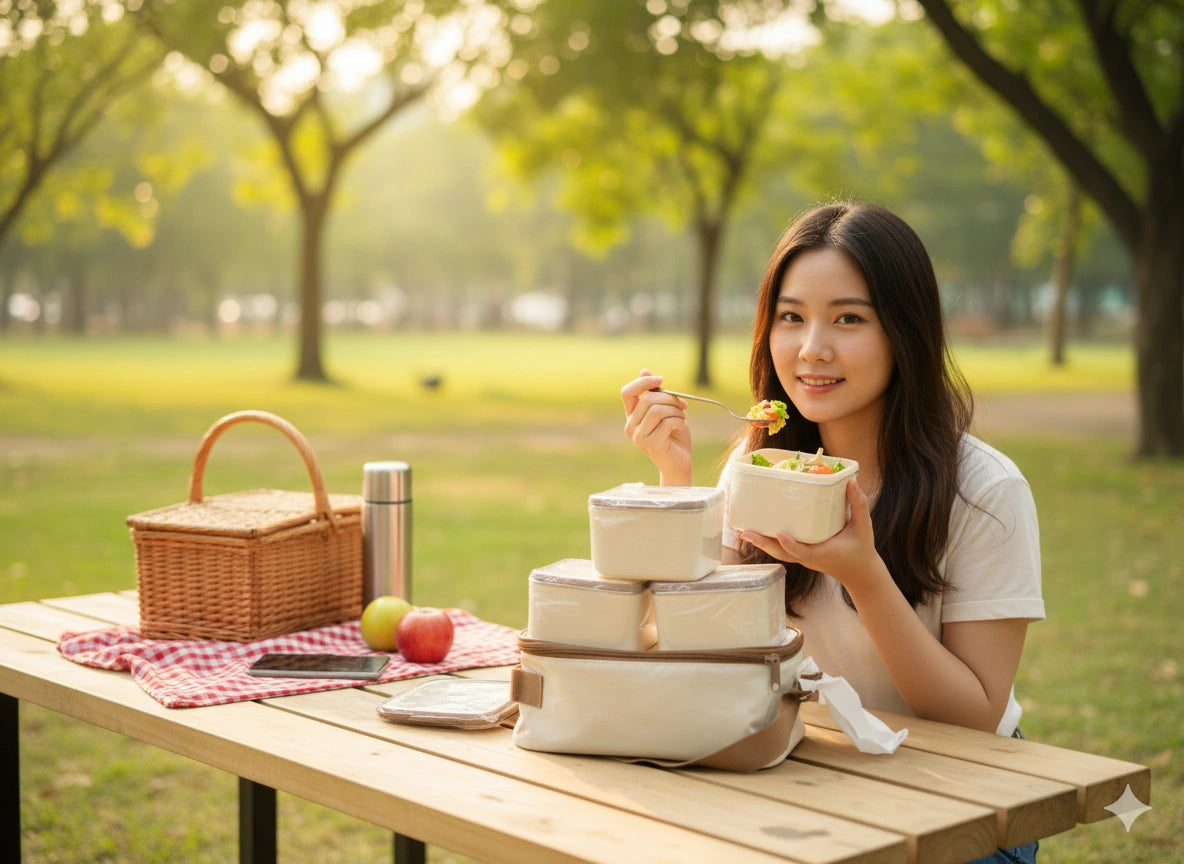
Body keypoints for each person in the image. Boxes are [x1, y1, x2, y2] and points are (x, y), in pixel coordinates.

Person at [620, 201, 1044, 864]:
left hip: (962, 801)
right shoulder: (758, 469)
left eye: (848, 318)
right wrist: (678, 484)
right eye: (791, 317)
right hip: (815, 771)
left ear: (905, 332)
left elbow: (974, 720)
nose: (811, 348)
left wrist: (863, 575)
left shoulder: (986, 492)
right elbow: (705, 652)